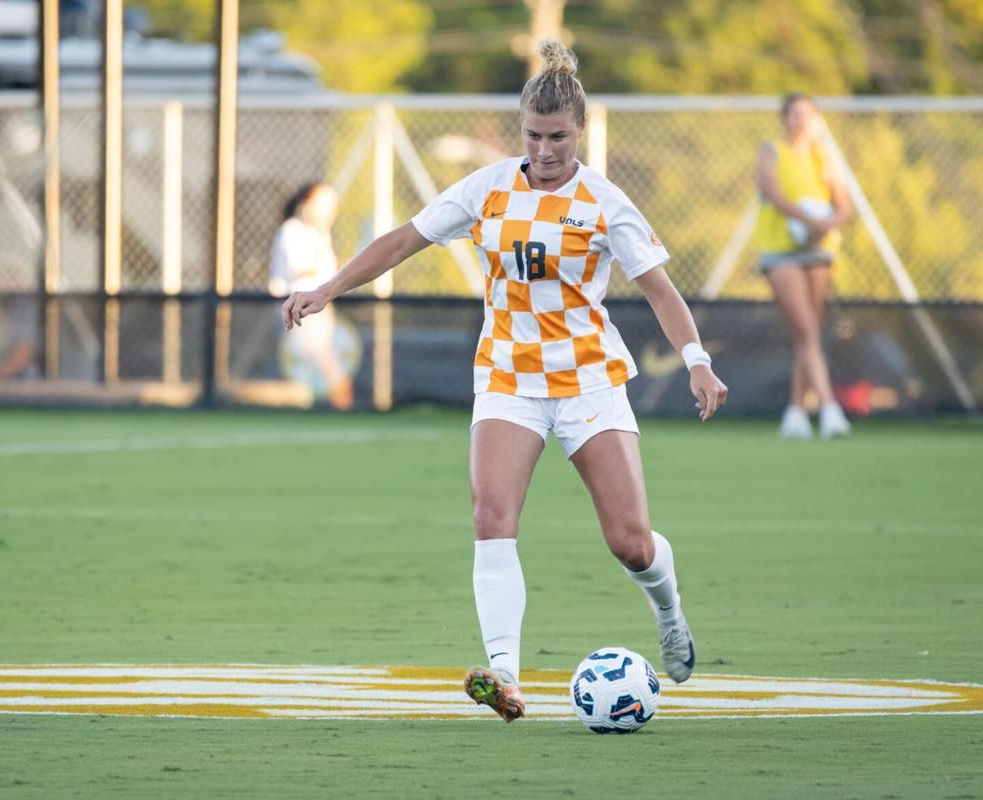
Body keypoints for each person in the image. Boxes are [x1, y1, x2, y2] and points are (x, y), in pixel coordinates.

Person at [282, 40, 727, 722]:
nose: (544, 151)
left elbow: (661, 291)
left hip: (586, 381)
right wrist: (327, 288)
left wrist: (696, 359)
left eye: (558, 138)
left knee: (631, 543)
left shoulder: (604, 203)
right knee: (491, 519)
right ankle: (505, 675)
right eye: (533, 136)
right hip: (508, 377)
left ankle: (668, 609)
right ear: (521, 130)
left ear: (580, 132)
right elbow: (402, 240)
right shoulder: (487, 187)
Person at [756, 93, 854, 439]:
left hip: (818, 251)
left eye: (807, 115)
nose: (801, 120)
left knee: (807, 331)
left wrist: (826, 225)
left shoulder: (824, 157)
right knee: (806, 329)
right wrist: (809, 221)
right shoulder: (771, 152)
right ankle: (829, 409)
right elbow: (775, 196)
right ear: (784, 118)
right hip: (780, 252)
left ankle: (796, 412)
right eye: (794, 114)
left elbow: (843, 205)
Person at [269, 181, 354, 410]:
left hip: (317, 310)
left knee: (321, 364)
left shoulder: (320, 234)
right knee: (322, 363)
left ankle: (333, 407)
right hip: (298, 311)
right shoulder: (293, 230)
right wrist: (340, 271)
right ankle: (342, 407)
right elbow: (302, 270)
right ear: (307, 205)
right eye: (324, 204)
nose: (331, 211)